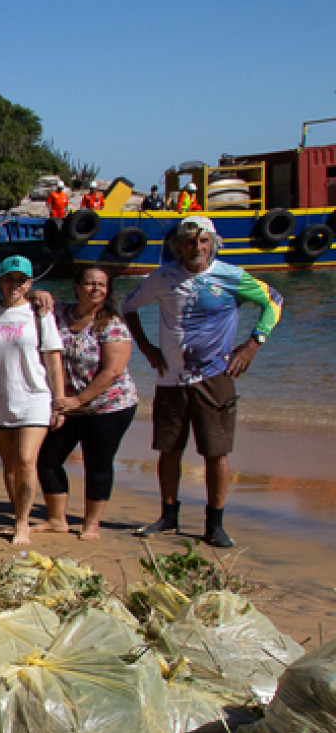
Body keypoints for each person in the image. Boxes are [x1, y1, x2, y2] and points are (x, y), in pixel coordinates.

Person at [123, 214, 282, 548]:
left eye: (204, 240)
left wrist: (253, 344)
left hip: (214, 378)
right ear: (177, 246)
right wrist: (146, 347)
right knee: (169, 450)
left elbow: (274, 302)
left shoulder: (231, 277)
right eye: (190, 241)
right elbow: (128, 306)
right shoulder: (161, 277)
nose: (197, 247)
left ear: (213, 243)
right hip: (170, 381)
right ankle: (168, 516)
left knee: (216, 453)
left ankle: (215, 523)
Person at [38, 265, 138, 539]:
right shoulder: (61, 313)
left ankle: (92, 523)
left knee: (97, 463)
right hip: (68, 404)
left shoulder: (112, 324)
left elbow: (112, 371)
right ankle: (57, 519)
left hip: (108, 406)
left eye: (102, 285)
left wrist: (78, 400)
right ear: (77, 286)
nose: (96, 289)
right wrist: (41, 292)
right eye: (90, 284)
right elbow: (34, 300)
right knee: (47, 459)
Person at [0, 256, 65, 546]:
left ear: (29, 283)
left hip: (35, 396)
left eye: (21, 280)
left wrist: (60, 400)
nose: (14, 285)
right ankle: (18, 514)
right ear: (0, 281)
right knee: (10, 464)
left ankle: (22, 524)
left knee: (27, 460)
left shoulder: (40, 314)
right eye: (9, 279)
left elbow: (53, 360)